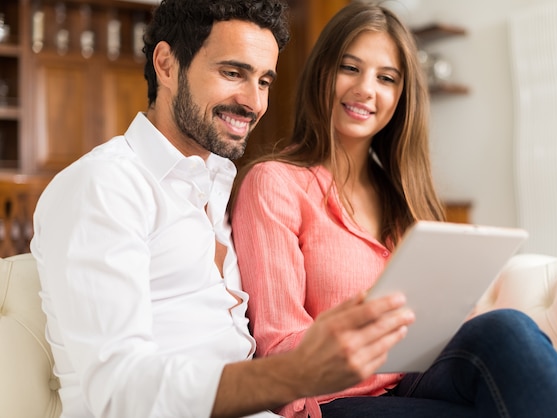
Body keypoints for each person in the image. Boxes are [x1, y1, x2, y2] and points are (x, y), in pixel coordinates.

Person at [230, 2, 557, 418]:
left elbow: (457, 323)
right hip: (337, 400)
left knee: (507, 326)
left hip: (418, 378)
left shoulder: (403, 194)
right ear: (322, 72)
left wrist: (545, 380)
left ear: (401, 95)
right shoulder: (274, 183)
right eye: (350, 68)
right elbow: (279, 344)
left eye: (386, 78)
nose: (366, 89)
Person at [30, 1, 418, 417]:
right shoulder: (105, 185)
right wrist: (297, 372)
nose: (253, 102)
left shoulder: (212, 185)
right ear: (166, 64)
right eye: (232, 73)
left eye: (264, 81)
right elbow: (119, 392)